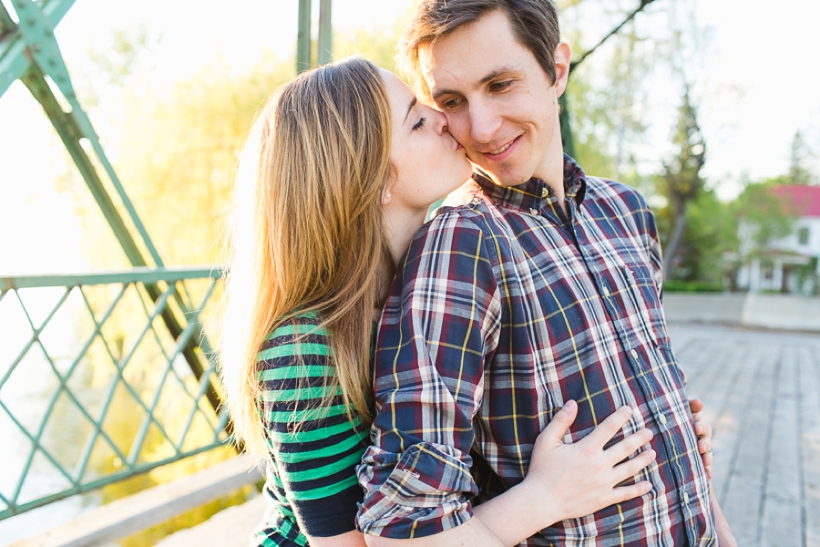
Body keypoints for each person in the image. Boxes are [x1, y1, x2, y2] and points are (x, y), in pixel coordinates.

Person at [218, 56, 694, 547]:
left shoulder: (441, 278)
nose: (445, 118)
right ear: (373, 179)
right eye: (418, 120)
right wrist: (548, 496)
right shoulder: (302, 348)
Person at [356, 2, 737, 546]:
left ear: (557, 70)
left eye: (501, 84)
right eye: (452, 101)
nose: (481, 127)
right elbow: (405, 529)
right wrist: (541, 500)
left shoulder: (624, 211)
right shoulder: (461, 245)